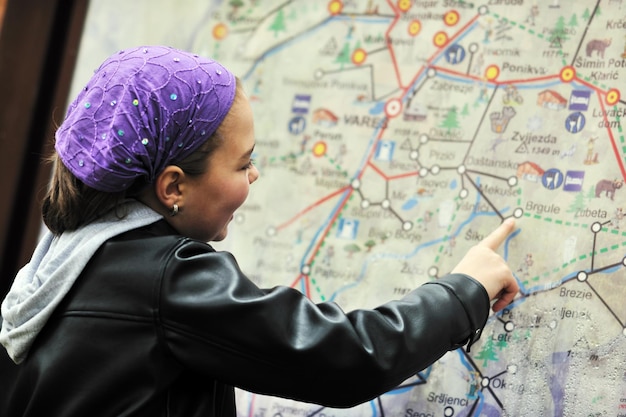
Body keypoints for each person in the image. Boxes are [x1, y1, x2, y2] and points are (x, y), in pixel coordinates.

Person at [0, 45, 518, 417]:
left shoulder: (55, 264)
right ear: (172, 187)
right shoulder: (165, 280)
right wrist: (463, 290)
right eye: (243, 163)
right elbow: (346, 358)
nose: (254, 175)